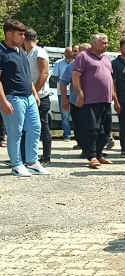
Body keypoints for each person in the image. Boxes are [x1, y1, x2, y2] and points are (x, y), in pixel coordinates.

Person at [0, 20, 49, 177]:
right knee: (15, 132)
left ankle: (32, 162)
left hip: (28, 97)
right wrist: (4, 101)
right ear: (9, 34)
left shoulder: (20, 51)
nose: (23, 37)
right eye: (20, 34)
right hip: (12, 98)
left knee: (35, 128)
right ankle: (16, 165)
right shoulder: (1, 51)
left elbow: (27, 75)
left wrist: (34, 92)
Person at [72, 33, 115, 169]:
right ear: (94, 43)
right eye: (104, 43)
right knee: (92, 129)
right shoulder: (83, 56)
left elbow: (110, 78)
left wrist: (113, 95)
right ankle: (91, 156)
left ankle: (99, 154)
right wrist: (80, 94)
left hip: (106, 100)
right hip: (90, 100)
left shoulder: (107, 58)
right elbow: (75, 76)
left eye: (107, 43)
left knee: (106, 129)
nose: (106, 45)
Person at [21, 29, 52, 166]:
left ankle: (46, 157)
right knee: (24, 128)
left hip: (40, 96)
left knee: (42, 127)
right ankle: (23, 157)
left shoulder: (39, 52)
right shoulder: (26, 53)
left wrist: (34, 93)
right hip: (28, 96)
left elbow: (44, 74)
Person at [60, 43, 91, 157]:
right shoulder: (72, 66)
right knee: (80, 127)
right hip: (76, 102)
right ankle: (84, 148)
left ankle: (94, 150)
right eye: (81, 51)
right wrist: (64, 99)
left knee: (93, 127)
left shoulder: (95, 63)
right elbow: (63, 83)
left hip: (93, 101)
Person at [51, 47, 74, 141]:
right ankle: (67, 135)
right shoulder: (59, 63)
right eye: (67, 56)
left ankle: (79, 135)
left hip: (73, 92)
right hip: (62, 92)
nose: (69, 58)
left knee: (76, 115)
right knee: (65, 115)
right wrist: (62, 81)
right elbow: (54, 77)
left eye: (71, 56)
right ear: (64, 55)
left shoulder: (77, 62)